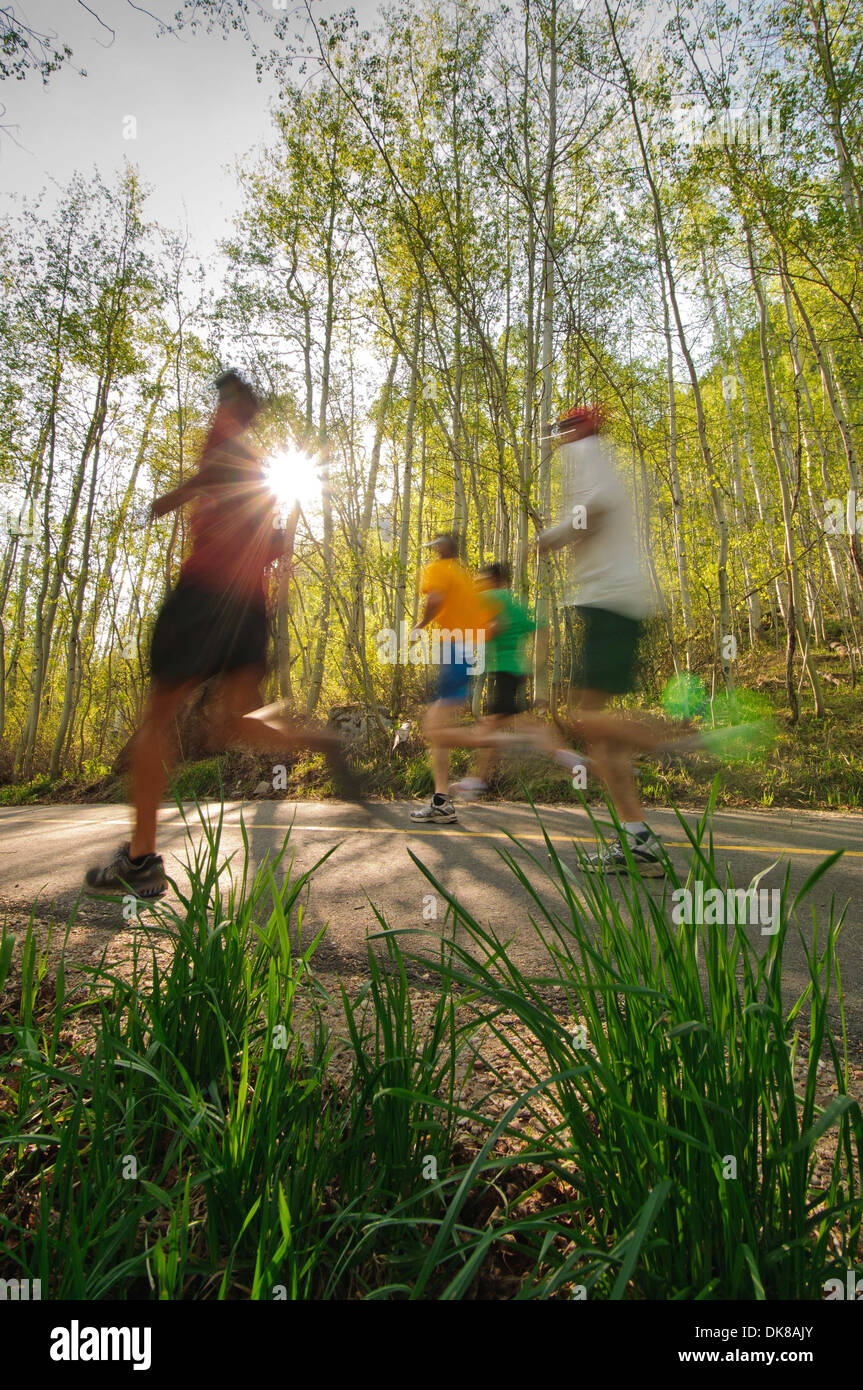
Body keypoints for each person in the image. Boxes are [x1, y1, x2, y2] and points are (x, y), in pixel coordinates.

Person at [84, 370, 354, 899]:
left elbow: (210, 477)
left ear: (233, 402)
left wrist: (170, 499)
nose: (221, 405)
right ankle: (320, 740)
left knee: (157, 718)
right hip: (250, 608)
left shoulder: (224, 436)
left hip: (206, 594)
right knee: (234, 722)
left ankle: (140, 859)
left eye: (226, 397)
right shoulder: (258, 470)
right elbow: (271, 542)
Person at [537, 404, 669, 877]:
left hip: (610, 601)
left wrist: (550, 538)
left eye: (568, 426)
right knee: (599, 730)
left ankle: (674, 740)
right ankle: (639, 842)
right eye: (562, 428)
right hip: (609, 602)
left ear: (584, 427)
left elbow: (596, 507)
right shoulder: (603, 455)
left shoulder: (590, 453)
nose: (562, 435)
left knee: (587, 716)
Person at [451, 561, 556, 794]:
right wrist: (538, 662)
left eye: (482, 581)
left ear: (495, 580)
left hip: (506, 671)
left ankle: (479, 779)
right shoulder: (517, 603)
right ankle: (479, 779)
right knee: (499, 723)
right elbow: (540, 627)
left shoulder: (494, 596)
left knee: (489, 726)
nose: (478, 586)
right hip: (515, 671)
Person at [409, 532, 490, 824]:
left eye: (435, 547)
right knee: (437, 725)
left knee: (434, 726)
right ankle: (442, 801)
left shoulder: (440, 570)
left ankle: (492, 740)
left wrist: (420, 625)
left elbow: (436, 599)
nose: (433, 551)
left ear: (443, 549)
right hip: (464, 646)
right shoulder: (462, 574)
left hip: (457, 647)